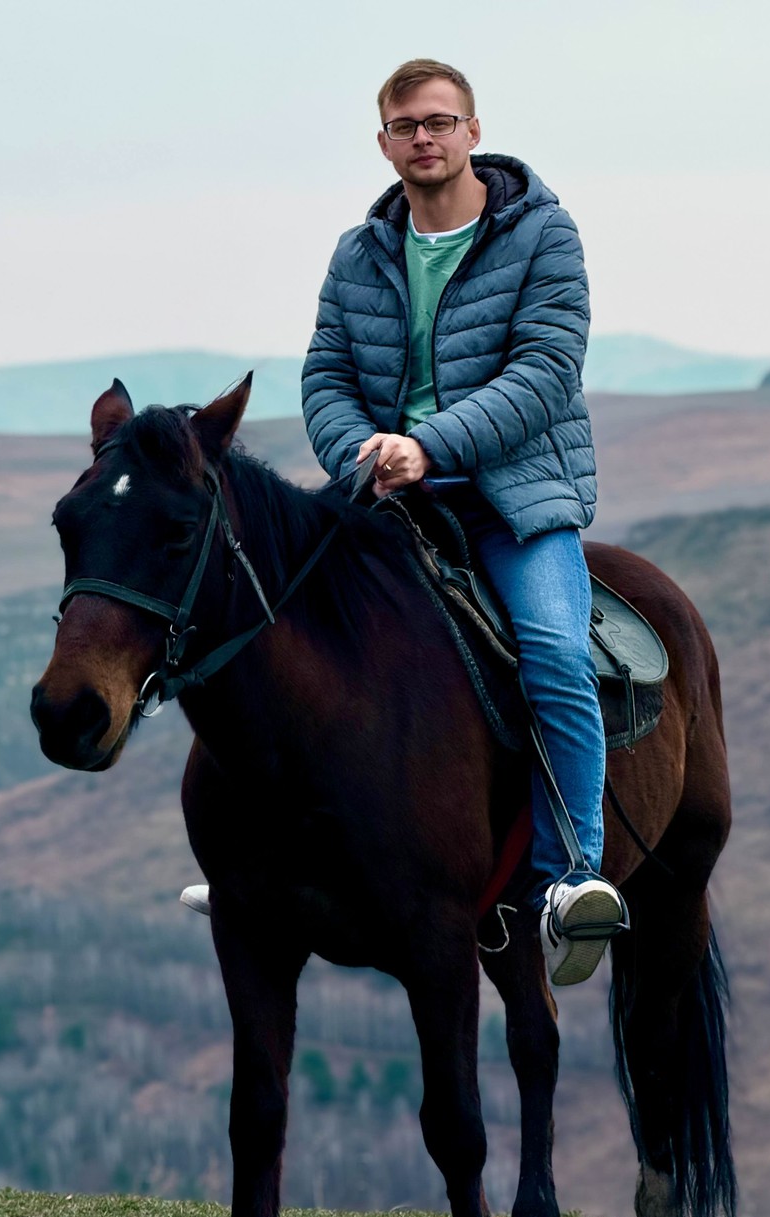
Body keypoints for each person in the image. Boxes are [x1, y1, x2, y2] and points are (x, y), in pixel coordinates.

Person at [300, 58, 625, 985]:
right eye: (406, 126)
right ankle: (270, 865)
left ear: (473, 132)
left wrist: (428, 446)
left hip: (514, 500)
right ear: (384, 143)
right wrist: (363, 454)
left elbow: (545, 372)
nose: (425, 138)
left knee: (554, 652)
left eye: (440, 122)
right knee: (279, 633)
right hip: (390, 500)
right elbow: (326, 375)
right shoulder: (359, 252)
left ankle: (571, 878)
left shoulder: (542, 233)